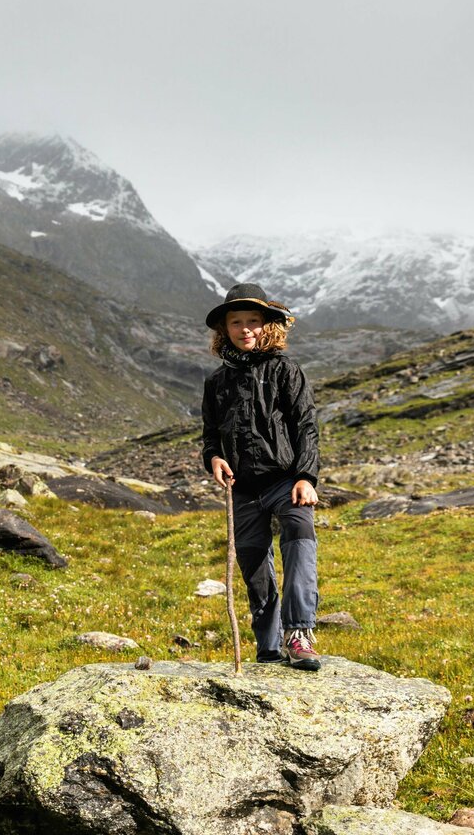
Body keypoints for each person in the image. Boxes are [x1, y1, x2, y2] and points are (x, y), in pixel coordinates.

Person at [201, 282, 322, 670]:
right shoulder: (216, 382)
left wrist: (306, 476)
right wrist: (213, 458)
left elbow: (305, 425)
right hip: (242, 490)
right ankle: (268, 647)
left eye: (253, 320)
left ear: (267, 325)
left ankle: (300, 634)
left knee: (299, 541)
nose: (245, 328)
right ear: (225, 330)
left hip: (286, 480)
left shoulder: (286, 370)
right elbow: (210, 434)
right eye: (236, 322)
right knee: (253, 566)